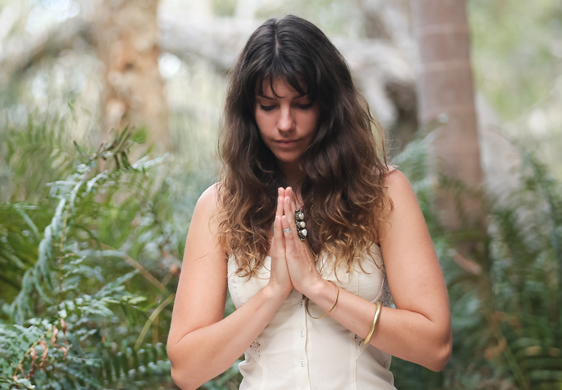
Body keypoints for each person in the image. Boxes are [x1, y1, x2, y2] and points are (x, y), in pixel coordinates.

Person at [166, 14, 452, 390]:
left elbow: (435, 346)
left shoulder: (382, 192)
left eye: (301, 104)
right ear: (248, 112)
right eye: (268, 106)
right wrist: (274, 291)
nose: (285, 123)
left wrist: (318, 287)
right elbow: (186, 370)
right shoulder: (219, 206)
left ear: (330, 104)